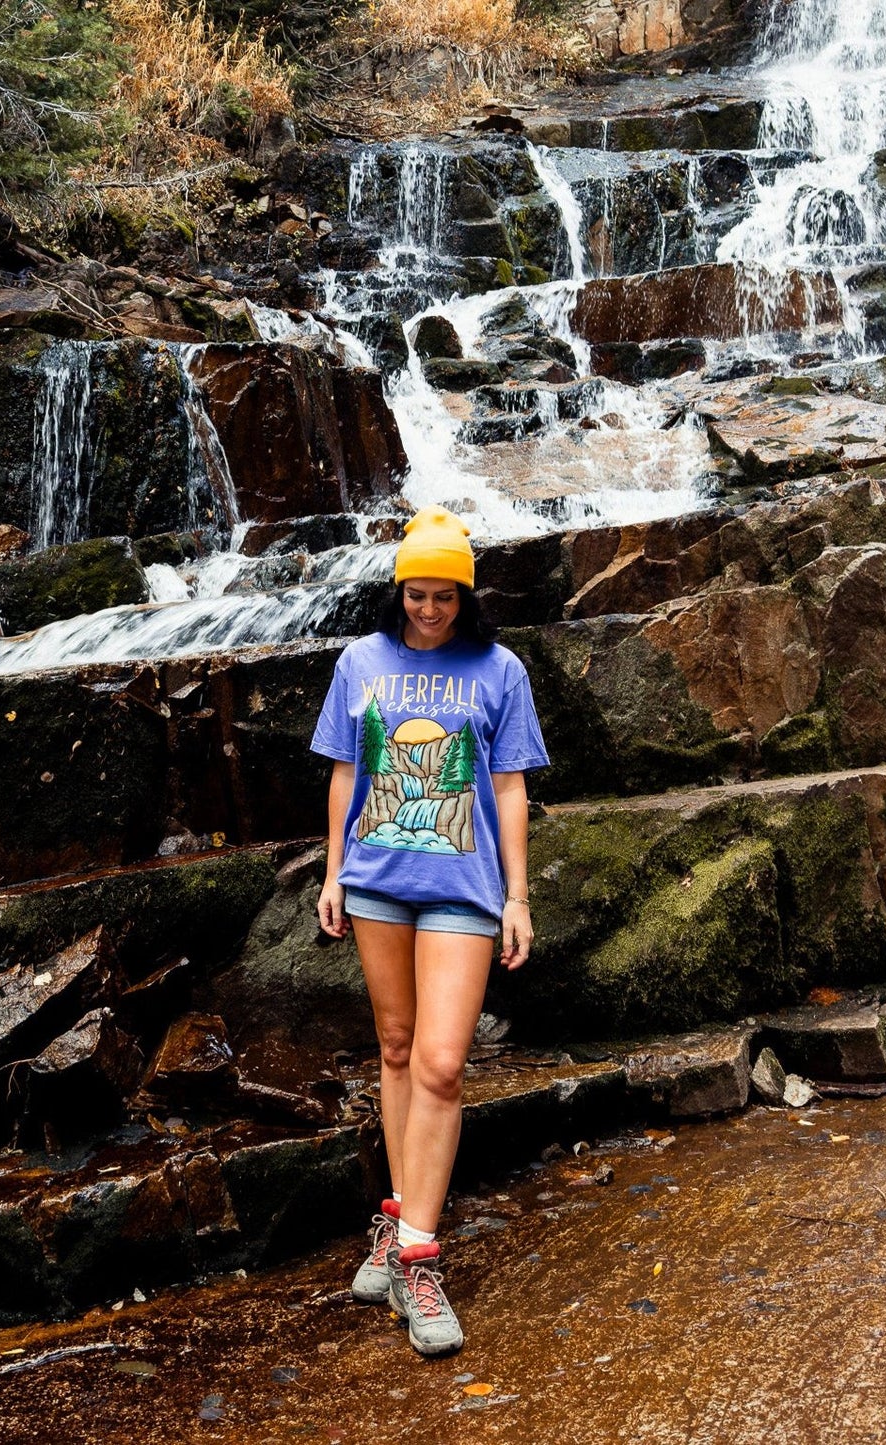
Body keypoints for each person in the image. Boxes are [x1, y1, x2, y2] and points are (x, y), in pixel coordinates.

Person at [310, 505, 549, 1357]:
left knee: (444, 1064)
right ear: (398, 588)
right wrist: (333, 870)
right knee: (399, 1046)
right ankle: (399, 1219)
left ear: (466, 594)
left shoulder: (499, 669)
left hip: (463, 888)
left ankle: (417, 1255)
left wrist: (515, 896)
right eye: (417, 593)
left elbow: (512, 787)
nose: (429, 609)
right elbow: (346, 772)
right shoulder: (358, 662)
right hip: (376, 882)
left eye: (444, 596)